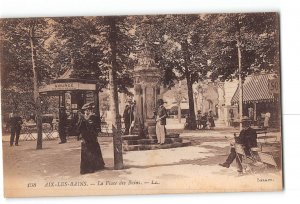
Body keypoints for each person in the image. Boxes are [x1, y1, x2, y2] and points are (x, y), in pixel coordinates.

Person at [77, 102, 105, 174]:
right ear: (84, 110)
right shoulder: (82, 118)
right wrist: (80, 136)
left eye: (89, 109)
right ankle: (85, 169)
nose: (87, 111)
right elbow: (79, 128)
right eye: (86, 110)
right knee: (85, 153)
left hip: (92, 137)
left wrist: (95, 134)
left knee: (93, 152)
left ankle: (95, 167)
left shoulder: (93, 117)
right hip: (85, 138)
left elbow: (97, 127)